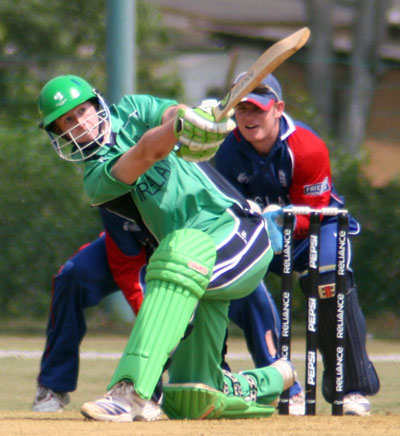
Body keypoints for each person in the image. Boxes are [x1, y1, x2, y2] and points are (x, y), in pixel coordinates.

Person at [36, 74, 298, 421]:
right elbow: (148, 151)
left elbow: (168, 112)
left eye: (81, 112)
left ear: (97, 105)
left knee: (176, 252)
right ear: (59, 136)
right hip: (196, 258)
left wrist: (189, 119)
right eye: (66, 123)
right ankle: (273, 377)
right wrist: (178, 129)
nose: (79, 125)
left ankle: (129, 392)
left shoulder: (131, 109)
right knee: (190, 396)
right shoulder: (96, 179)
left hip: (239, 232)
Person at [215, 72, 380, 416]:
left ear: (278, 109)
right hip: (261, 234)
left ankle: (348, 387)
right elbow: (226, 206)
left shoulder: (305, 146)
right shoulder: (228, 149)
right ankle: (281, 386)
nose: (249, 117)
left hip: (318, 227)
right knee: (238, 284)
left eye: (258, 109)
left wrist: (279, 220)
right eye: (242, 108)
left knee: (328, 281)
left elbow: (314, 213)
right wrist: (262, 226)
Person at [32, 206, 301, 413]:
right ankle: (55, 387)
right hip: (140, 252)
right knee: (72, 276)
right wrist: (162, 324)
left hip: (196, 250)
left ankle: (281, 379)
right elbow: (128, 267)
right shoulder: (113, 179)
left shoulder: (182, 174)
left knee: (245, 283)